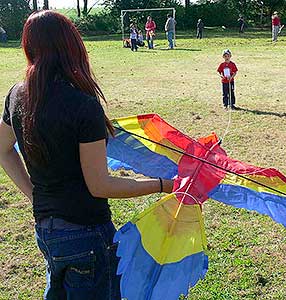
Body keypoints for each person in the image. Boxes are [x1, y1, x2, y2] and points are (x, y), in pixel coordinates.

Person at [0, 11, 173, 300]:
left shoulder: (17, 94)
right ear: (72, 45)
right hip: (87, 235)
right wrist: (160, 184)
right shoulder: (83, 105)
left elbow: (3, 149)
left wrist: (35, 196)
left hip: (47, 231)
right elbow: (100, 185)